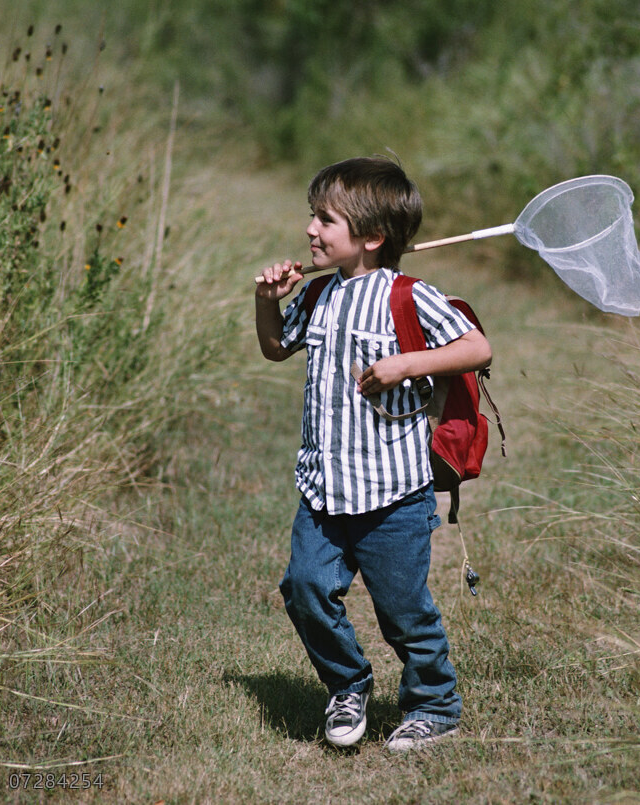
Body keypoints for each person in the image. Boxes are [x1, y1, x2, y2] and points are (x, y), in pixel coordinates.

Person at [253, 156, 492, 751]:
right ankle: (347, 686)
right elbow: (275, 347)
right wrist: (267, 300)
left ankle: (434, 705)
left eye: (325, 220)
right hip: (324, 489)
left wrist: (407, 364)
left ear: (372, 237)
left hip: (393, 494)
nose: (311, 229)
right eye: (313, 216)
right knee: (304, 589)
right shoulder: (316, 296)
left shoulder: (407, 297)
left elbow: (477, 347)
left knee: (403, 611)